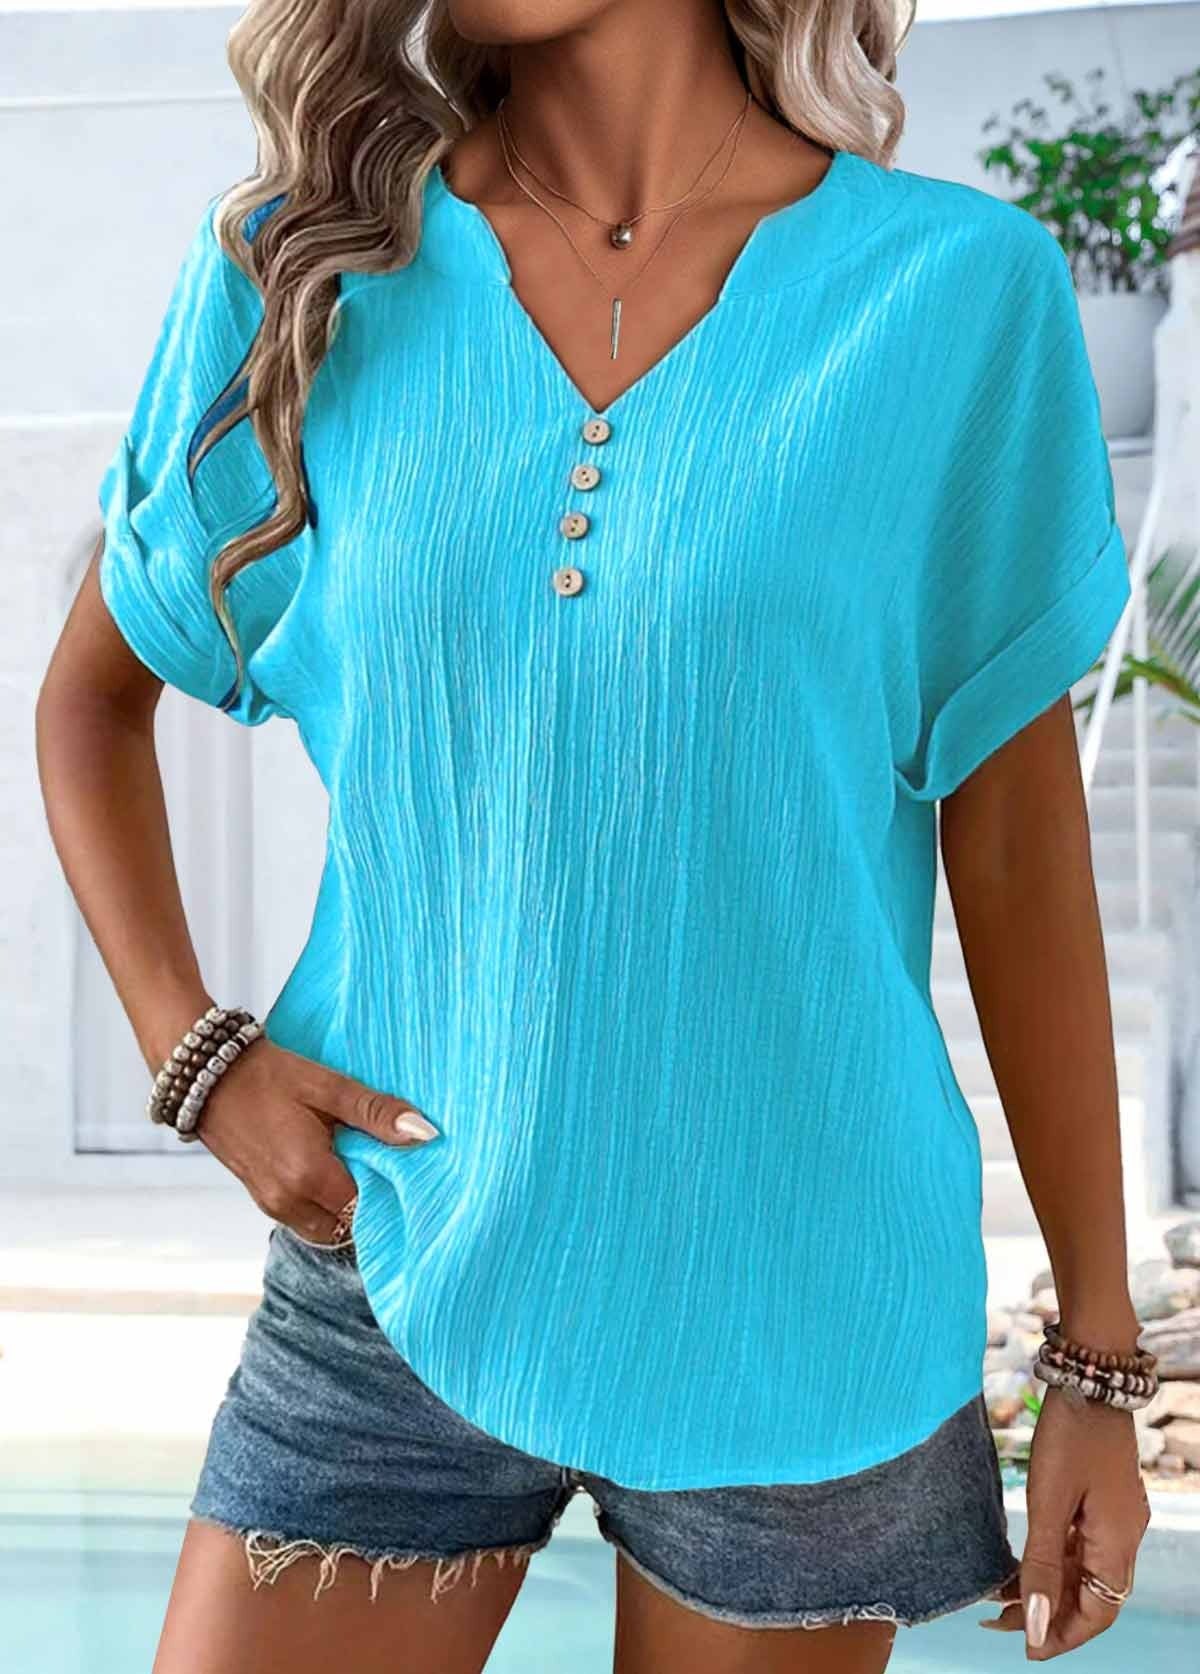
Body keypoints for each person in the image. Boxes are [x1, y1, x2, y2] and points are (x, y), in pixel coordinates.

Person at [35, 2, 1154, 1670]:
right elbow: (91, 704)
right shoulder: (306, 269)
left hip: (802, 1306)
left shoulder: (954, 293)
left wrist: (1096, 1352)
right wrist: (194, 1054)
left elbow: (1018, 858)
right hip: (394, 1253)